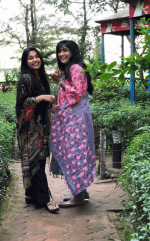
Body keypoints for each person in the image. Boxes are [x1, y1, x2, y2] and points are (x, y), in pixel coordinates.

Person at [50, 40, 96, 208]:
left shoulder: (75, 68)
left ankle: (77, 196)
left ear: (73, 52)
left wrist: (58, 82)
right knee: (77, 153)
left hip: (76, 120)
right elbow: (70, 94)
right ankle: (81, 192)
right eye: (59, 51)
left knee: (74, 154)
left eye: (65, 50)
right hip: (75, 118)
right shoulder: (72, 68)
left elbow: (76, 95)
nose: (62, 54)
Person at [16, 46, 59, 213]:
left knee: (37, 161)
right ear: (25, 62)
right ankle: (46, 198)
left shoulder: (41, 77)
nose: (35, 60)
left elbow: (43, 105)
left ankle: (32, 195)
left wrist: (50, 107)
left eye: (37, 57)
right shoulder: (25, 79)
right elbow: (21, 104)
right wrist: (41, 98)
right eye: (30, 58)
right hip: (29, 129)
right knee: (37, 161)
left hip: (41, 126)